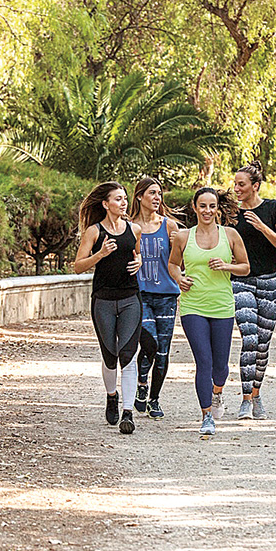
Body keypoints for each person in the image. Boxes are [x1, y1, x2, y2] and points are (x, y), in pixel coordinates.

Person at [168, 187, 250, 436]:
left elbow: (245, 267)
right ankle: (206, 416)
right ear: (194, 207)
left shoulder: (230, 235)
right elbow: (172, 264)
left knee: (221, 367)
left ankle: (217, 393)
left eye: (212, 206)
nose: (207, 211)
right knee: (203, 361)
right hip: (193, 305)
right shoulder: (183, 237)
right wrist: (179, 278)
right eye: (202, 206)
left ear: (218, 209)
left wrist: (226, 265)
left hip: (222, 305)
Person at [73, 182, 143, 435]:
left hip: (130, 298)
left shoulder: (134, 229)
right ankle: (111, 395)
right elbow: (78, 266)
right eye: (117, 199)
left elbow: (137, 254)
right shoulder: (94, 232)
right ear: (105, 204)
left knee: (127, 354)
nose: (123, 203)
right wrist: (100, 254)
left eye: (125, 199)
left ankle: (128, 412)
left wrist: (139, 262)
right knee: (110, 355)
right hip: (102, 299)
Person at [231, 161, 276, 419]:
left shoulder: (273, 208)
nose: (236, 188)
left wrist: (261, 226)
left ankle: (256, 395)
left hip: (270, 283)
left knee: (263, 345)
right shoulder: (231, 214)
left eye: (241, 184)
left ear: (255, 186)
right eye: (234, 184)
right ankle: (245, 400)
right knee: (250, 338)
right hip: (240, 281)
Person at [129, 177, 180, 419]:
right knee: (150, 343)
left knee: (163, 351)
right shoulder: (129, 226)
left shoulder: (169, 226)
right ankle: (141, 384)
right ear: (139, 196)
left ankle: (154, 399)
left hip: (167, 295)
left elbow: (179, 262)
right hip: (140, 294)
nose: (157, 197)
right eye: (152, 193)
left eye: (159, 193)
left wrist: (177, 246)